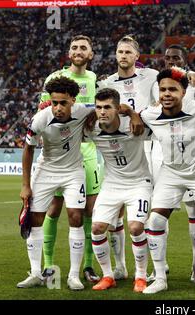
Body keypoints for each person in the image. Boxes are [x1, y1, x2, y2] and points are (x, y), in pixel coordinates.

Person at [139, 67, 195, 297]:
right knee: (155, 222)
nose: (166, 94)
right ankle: (159, 278)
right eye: (162, 89)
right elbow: (134, 116)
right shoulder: (150, 114)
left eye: (172, 90)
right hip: (172, 174)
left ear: (184, 92)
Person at [17, 76, 94, 290]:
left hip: (73, 171)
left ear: (73, 100)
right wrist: (25, 185)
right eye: (54, 102)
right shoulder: (40, 119)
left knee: (76, 216)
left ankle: (73, 275)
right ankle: (34, 273)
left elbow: (111, 107)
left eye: (63, 103)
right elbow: (28, 149)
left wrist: (132, 113)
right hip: (46, 169)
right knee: (35, 218)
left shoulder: (84, 110)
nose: (58, 108)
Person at [96, 35, 159, 281]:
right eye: (119, 52)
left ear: (136, 56)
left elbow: (170, 82)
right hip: (116, 146)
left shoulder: (151, 76)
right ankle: (120, 266)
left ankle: (152, 268)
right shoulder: (106, 83)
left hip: (147, 144)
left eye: (127, 52)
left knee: (147, 214)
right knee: (114, 216)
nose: (122, 56)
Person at [39, 35, 100, 283]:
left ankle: (87, 265)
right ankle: (49, 265)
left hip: (88, 151)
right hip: (59, 154)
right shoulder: (54, 78)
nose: (78, 51)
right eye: (74, 47)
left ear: (91, 54)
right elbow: (42, 113)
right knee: (53, 209)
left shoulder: (96, 79)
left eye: (83, 47)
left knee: (88, 211)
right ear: (68, 52)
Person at [84, 88, 150, 292]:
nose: (102, 112)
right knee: (96, 228)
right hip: (112, 184)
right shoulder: (91, 128)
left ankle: (140, 276)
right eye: (98, 107)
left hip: (139, 183)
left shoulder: (135, 126)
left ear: (118, 108)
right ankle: (108, 275)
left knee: (136, 227)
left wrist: (133, 113)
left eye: (107, 107)